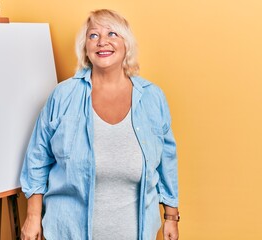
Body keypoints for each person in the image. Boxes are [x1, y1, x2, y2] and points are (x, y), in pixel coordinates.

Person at [20, 9, 179, 240]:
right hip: (67, 231)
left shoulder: (152, 98)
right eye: (93, 35)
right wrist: (33, 217)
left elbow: (167, 160)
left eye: (112, 33)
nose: (102, 41)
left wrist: (171, 217)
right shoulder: (63, 96)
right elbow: (37, 157)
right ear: (86, 47)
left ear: (127, 44)